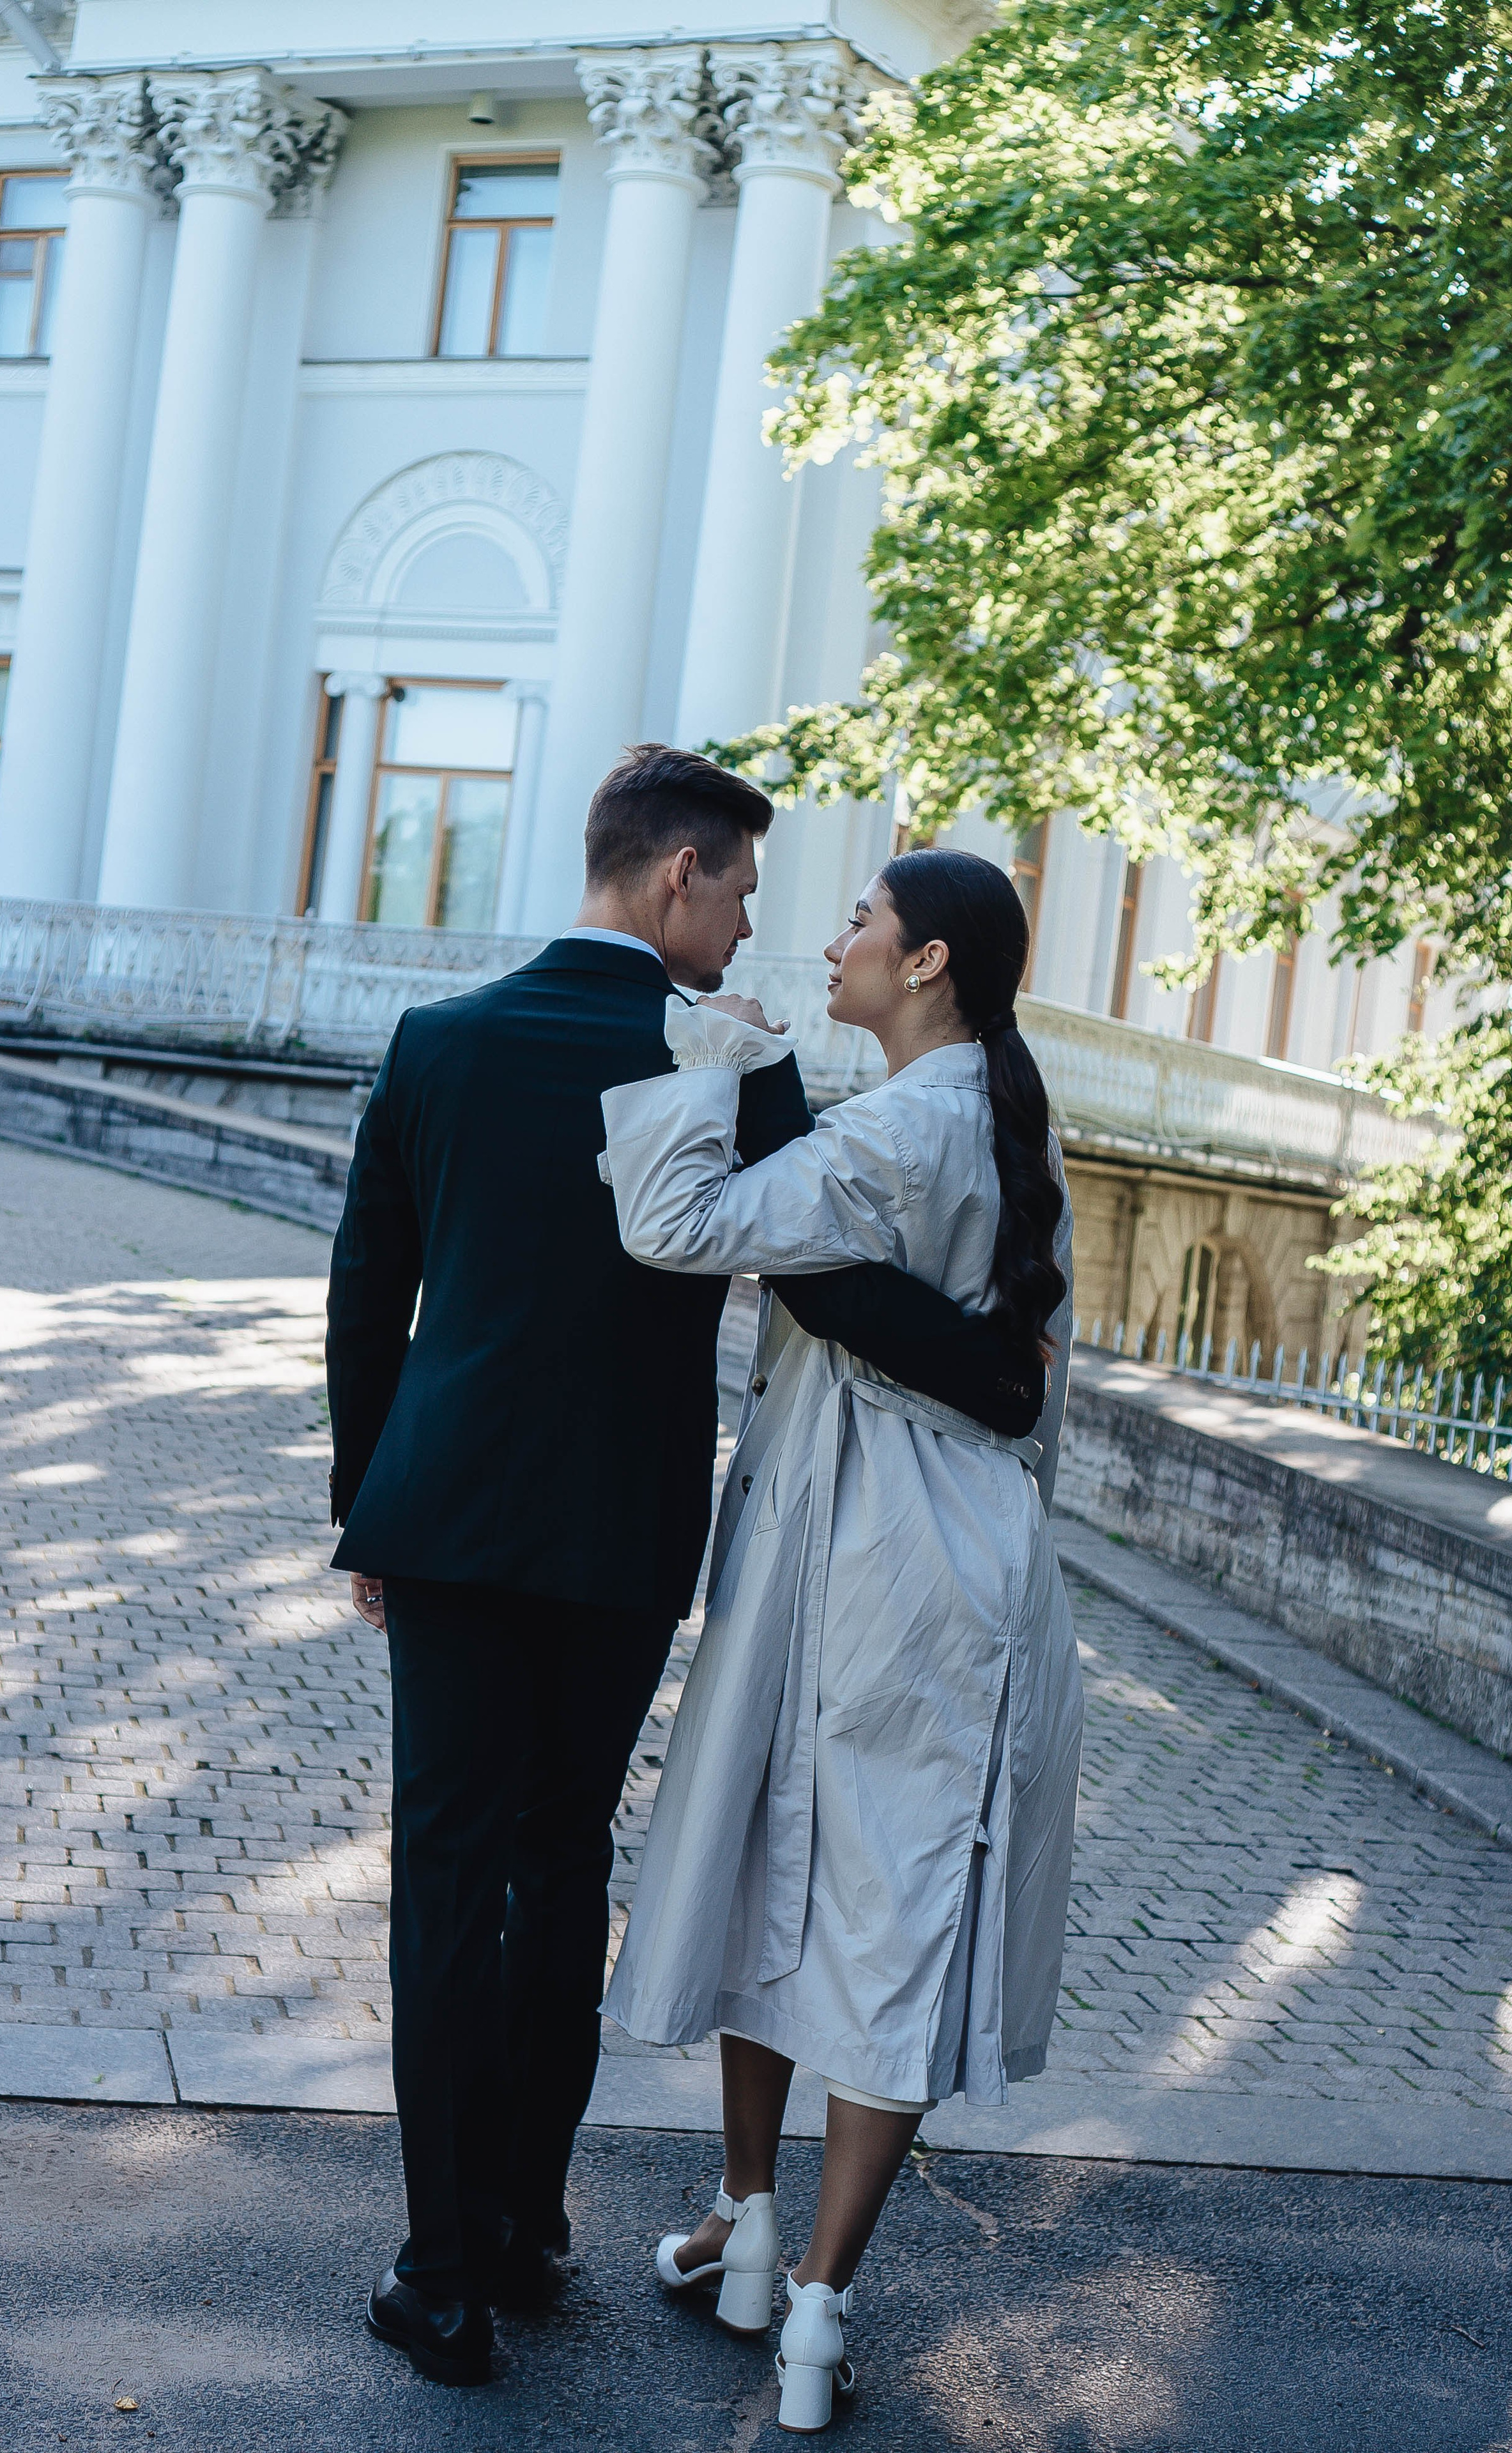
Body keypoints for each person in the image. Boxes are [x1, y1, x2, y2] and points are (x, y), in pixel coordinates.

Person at [325, 749, 1056, 2388]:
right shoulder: (741, 1069)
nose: (751, 927)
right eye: (736, 888)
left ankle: (437, 2271)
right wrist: (1004, 1370)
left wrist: (361, 1506)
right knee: (559, 1863)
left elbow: (369, 1297)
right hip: (622, 1539)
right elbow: (826, 1283)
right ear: (674, 876)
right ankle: (522, 2222)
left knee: (443, 1883)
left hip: (439, 1527)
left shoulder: (438, 1042)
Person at [600, 846, 1084, 2433]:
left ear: (928, 961)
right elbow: (1026, 1385)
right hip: (967, 1551)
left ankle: (749, 2224)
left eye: (860, 924)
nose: (827, 942)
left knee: (771, 1852)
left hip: (846, 1531)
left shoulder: (889, 1128)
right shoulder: (1011, 1117)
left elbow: (672, 1222)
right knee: (894, 1902)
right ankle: (806, 2291)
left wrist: (711, 1054)